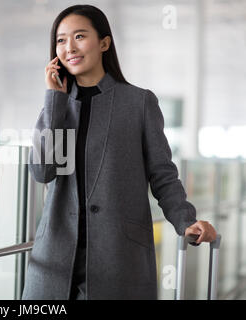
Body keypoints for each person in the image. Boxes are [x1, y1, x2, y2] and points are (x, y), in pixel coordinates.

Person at [21, 4, 217, 300]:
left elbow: (162, 175)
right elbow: (42, 171)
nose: (69, 47)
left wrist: (186, 221)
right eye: (61, 40)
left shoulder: (139, 103)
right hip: (55, 264)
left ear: (104, 43)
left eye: (79, 36)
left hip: (119, 259)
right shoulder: (55, 108)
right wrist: (54, 101)